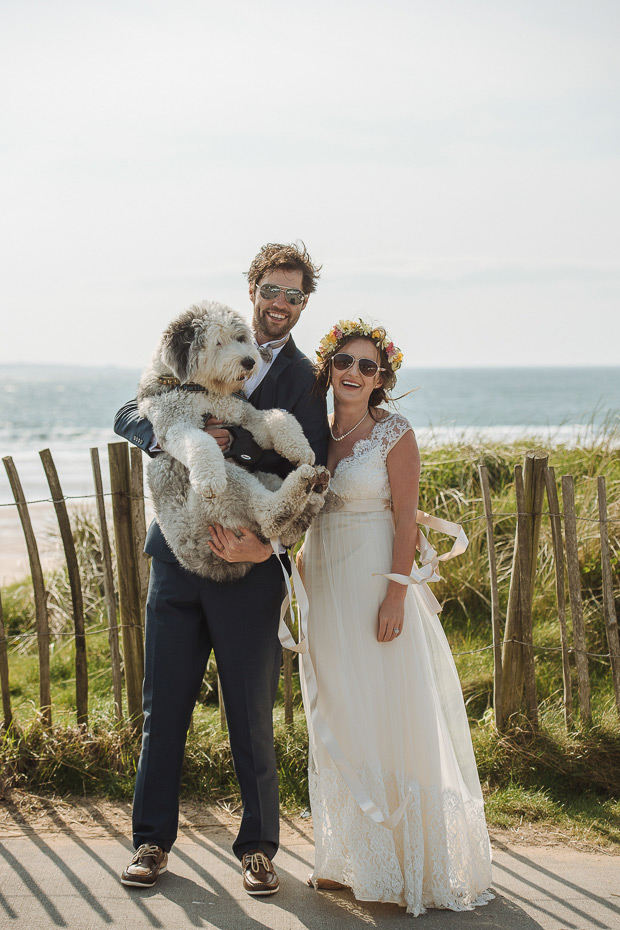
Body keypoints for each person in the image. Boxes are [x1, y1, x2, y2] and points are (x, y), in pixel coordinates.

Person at [114, 242, 328, 895]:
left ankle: (259, 849)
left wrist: (269, 549)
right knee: (163, 710)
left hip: (249, 567)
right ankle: (151, 844)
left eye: (294, 295)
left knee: (250, 715)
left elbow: (313, 464)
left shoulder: (303, 378)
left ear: (303, 303)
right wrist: (166, 436)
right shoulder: (195, 347)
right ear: (253, 289)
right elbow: (130, 410)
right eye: (271, 289)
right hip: (177, 562)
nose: (280, 304)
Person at [297, 320, 493, 916]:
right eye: (345, 362)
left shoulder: (393, 434)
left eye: (367, 366)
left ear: (382, 379)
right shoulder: (316, 431)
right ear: (329, 368)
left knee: (383, 707)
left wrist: (394, 597)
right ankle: (349, 857)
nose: (354, 373)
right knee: (339, 706)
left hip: (374, 582)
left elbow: (407, 520)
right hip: (326, 583)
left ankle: (407, 860)